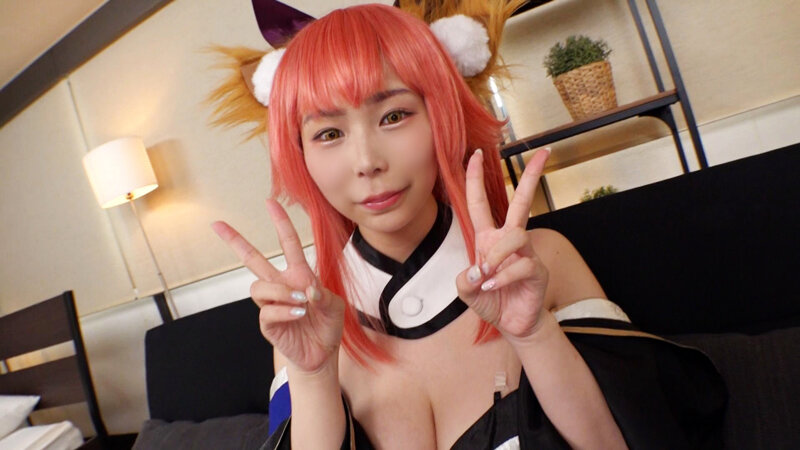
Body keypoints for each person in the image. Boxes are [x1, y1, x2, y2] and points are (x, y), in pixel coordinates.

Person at [210, 3, 725, 449]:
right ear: (300, 156)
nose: (366, 161)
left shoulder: (543, 259)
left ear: (443, 119)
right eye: (328, 133)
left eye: (393, 116)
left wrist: (534, 335)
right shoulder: (304, 320)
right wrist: (314, 375)